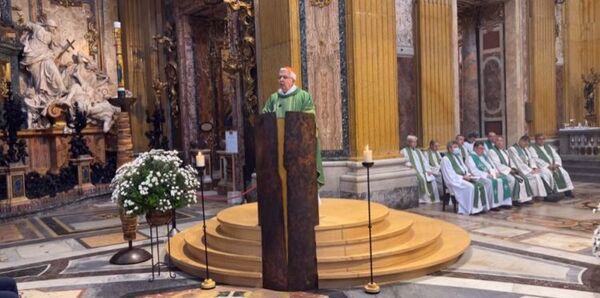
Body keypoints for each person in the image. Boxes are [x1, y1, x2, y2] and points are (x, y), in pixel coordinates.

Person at [261, 67, 324, 189]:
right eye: (279, 77)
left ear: (293, 80)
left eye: (284, 77)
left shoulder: (303, 97)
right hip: (277, 147)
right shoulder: (273, 98)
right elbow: (265, 117)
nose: (281, 80)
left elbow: (309, 118)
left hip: (298, 147)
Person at [20, 19, 66, 98]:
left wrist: (59, 50)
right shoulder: (38, 28)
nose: (54, 29)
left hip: (45, 55)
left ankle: (62, 89)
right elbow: (28, 24)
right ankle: (40, 96)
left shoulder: (51, 36)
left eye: (55, 28)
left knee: (53, 69)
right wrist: (21, 20)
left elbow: (54, 48)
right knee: (37, 78)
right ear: (48, 26)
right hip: (32, 56)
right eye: (53, 27)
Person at [440, 141, 488, 215]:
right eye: (455, 147)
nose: (457, 149)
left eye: (457, 147)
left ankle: (479, 208)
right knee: (471, 187)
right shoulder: (445, 159)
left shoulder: (458, 157)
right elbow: (450, 175)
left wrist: (468, 175)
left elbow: (464, 169)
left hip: (463, 178)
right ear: (449, 149)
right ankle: (468, 209)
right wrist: (462, 177)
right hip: (454, 181)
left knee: (480, 184)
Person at [466, 141, 512, 209]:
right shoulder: (470, 157)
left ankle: (504, 203)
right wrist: (486, 175)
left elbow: (492, 165)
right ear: (475, 148)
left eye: (483, 149)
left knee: (504, 179)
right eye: (480, 148)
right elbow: (473, 171)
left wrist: (495, 172)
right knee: (490, 182)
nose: (482, 150)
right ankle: (493, 205)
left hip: (491, 174)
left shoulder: (484, 156)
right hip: (479, 177)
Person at [488, 136, 533, 205]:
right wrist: (509, 170)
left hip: (509, 171)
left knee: (522, 179)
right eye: (498, 141)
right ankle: (513, 200)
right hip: (501, 172)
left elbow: (510, 161)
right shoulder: (492, 151)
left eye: (501, 141)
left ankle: (522, 199)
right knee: (513, 180)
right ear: (495, 142)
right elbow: (496, 164)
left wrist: (514, 168)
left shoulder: (505, 151)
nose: (500, 142)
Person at [401, 135, 439, 203]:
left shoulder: (418, 151)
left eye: (416, 142)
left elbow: (424, 162)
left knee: (432, 179)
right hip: (413, 171)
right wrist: (410, 165)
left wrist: (428, 170)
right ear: (409, 143)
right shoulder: (404, 151)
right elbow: (404, 162)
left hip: (422, 171)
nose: (415, 144)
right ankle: (423, 199)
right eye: (413, 142)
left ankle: (433, 198)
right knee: (422, 179)